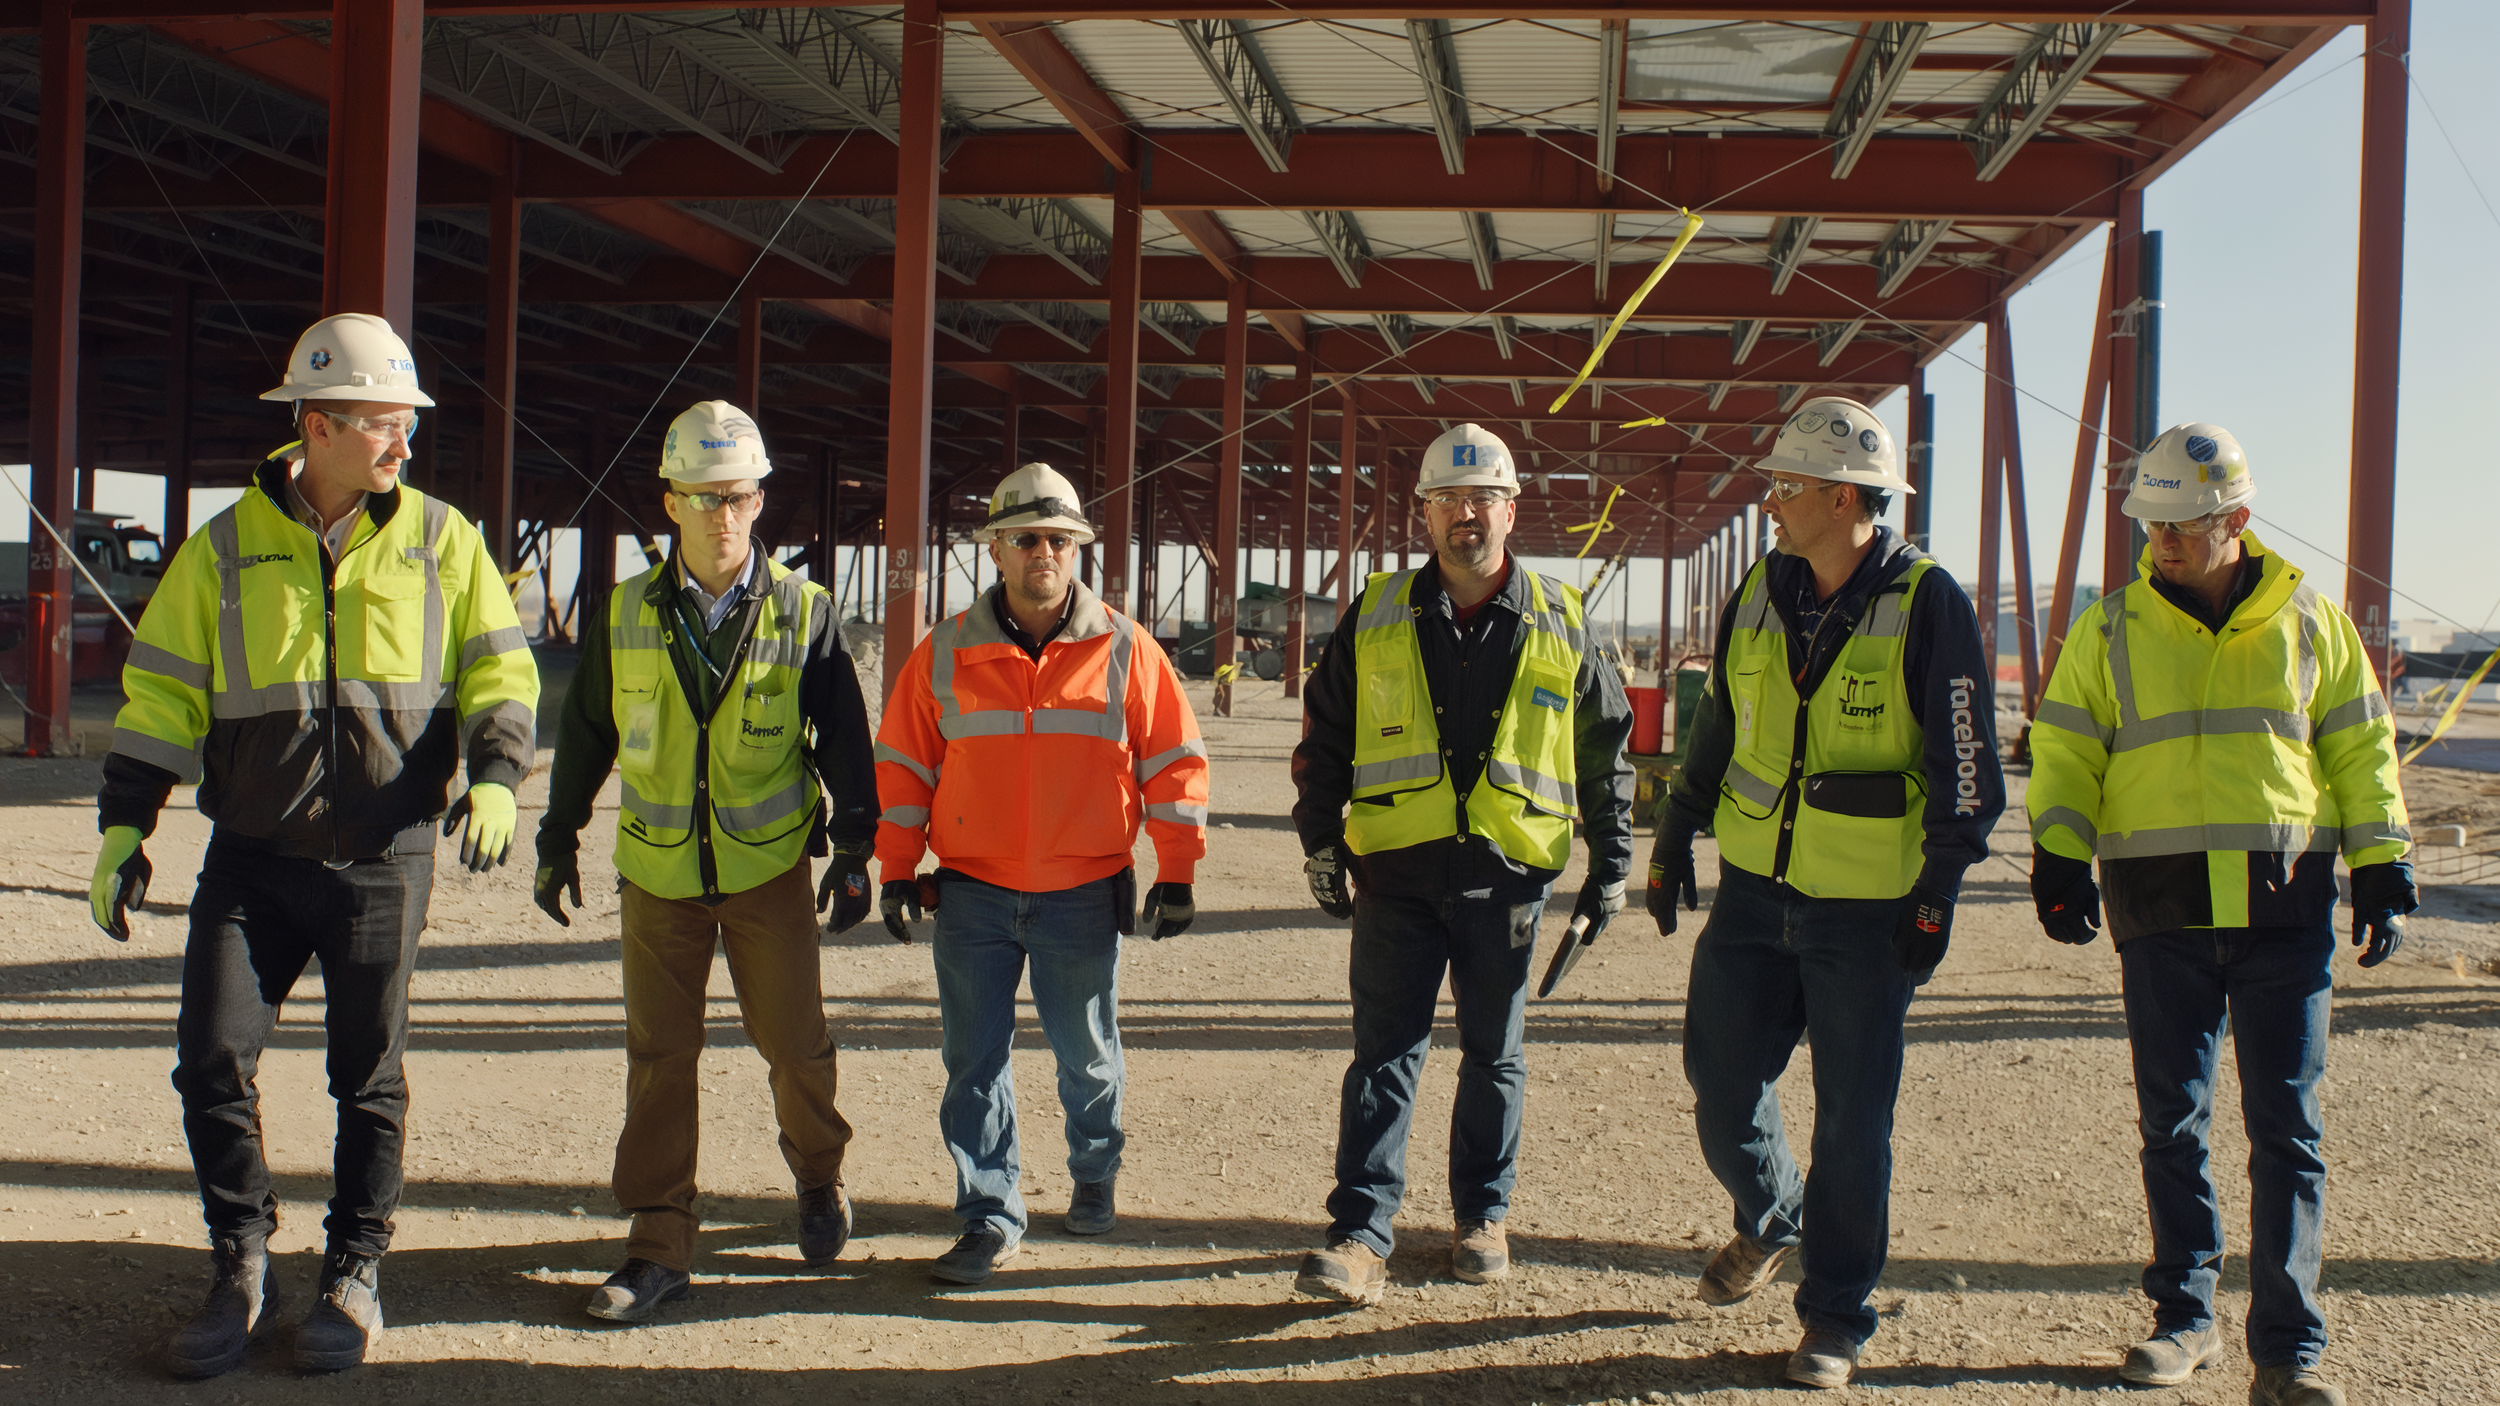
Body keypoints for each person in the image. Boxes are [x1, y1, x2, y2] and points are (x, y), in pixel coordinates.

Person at [89, 312, 538, 1376]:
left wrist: (498, 775)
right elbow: (158, 696)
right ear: (318, 423)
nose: (403, 444)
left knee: (365, 1078)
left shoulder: (442, 538)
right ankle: (242, 1260)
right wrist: (122, 823)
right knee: (209, 1058)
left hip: (386, 858)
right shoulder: (224, 550)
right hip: (251, 856)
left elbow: (499, 669)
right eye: (386, 423)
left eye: (406, 424)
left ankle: (352, 1267)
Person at [2027, 424, 2412, 1406]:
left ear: (2234, 520)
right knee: (2174, 1122)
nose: (2158, 538)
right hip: (2158, 906)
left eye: (2179, 523)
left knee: (2286, 1125)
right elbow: (2067, 748)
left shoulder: (2308, 623)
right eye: (2148, 521)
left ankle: (2286, 1347)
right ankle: (2182, 1317)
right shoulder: (2108, 629)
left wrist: (2381, 861)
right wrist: (2059, 850)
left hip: (2283, 907)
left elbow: (2360, 748)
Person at [1649, 396, 2001, 1389]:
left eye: (1786, 485)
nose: (1769, 502)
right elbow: (1719, 718)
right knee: (1720, 1081)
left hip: (1866, 908)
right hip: (1756, 894)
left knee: (1852, 1116)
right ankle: (1771, 1215)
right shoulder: (1761, 589)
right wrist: (1676, 832)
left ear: (1843, 496)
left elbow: (1966, 763)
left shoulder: (1928, 602)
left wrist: (1937, 888)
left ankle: (1836, 1313)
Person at [533, 401, 878, 1322]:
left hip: (767, 872)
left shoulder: (805, 613)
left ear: (760, 499)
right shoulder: (624, 614)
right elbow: (586, 735)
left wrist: (853, 849)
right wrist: (558, 834)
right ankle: (656, 1243)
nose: (722, 514)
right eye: (701, 496)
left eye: (737, 495)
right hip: (658, 877)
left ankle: (817, 1176)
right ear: (669, 502)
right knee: (658, 1059)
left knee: (795, 1047)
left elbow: (845, 741)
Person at [1288, 422, 1634, 1305]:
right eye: (1448, 500)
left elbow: (1605, 746)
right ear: (1425, 516)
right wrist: (1319, 836)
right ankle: (1360, 1235)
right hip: (1397, 873)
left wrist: (1612, 862)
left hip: (1507, 876)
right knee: (1383, 1057)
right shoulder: (1376, 610)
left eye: (1482, 498)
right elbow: (1326, 732)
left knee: (1494, 1055)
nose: (1465, 515)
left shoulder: (1561, 617)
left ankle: (1482, 1217)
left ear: (1511, 509)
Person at [874, 462, 1208, 1285]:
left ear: (1078, 551)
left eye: (1059, 540)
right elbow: (905, 768)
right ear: (995, 550)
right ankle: (990, 1215)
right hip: (973, 895)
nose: (1043, 554)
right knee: (973, 1062)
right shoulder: (944, 652)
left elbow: (1174, 761)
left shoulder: (1127, 649)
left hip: (1081, 894)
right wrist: (893, 868)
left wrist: (1178, 871)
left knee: (1087, 1058)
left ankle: (1094, 1171)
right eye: (1026, 539)